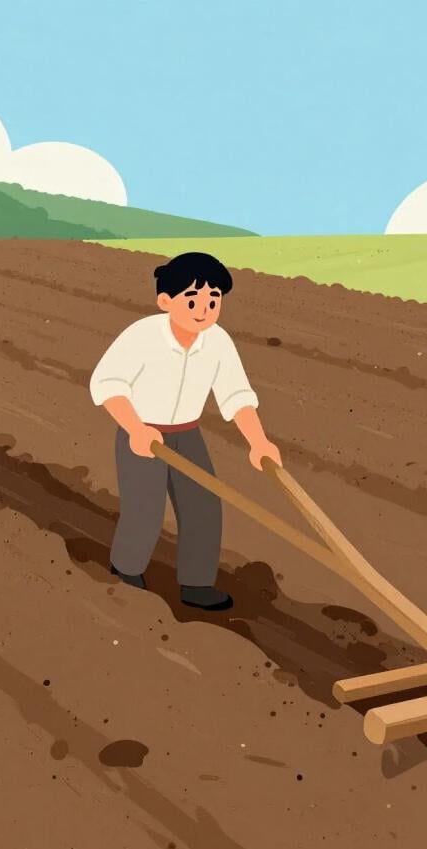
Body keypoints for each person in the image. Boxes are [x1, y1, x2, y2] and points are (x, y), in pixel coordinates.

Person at [89, 251, 281, 610]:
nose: (203, 308)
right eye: (192, 298)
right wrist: (136, 428)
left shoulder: (218, 342)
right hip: (143, 434)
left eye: (213, 299)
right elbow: (108, 385)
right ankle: (126, 570)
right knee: (144, 509)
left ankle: (197, 584)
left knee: (204, 506)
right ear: (166, 301)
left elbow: (236, 395)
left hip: (187, 434)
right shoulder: (142, 335)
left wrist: (258, 442)